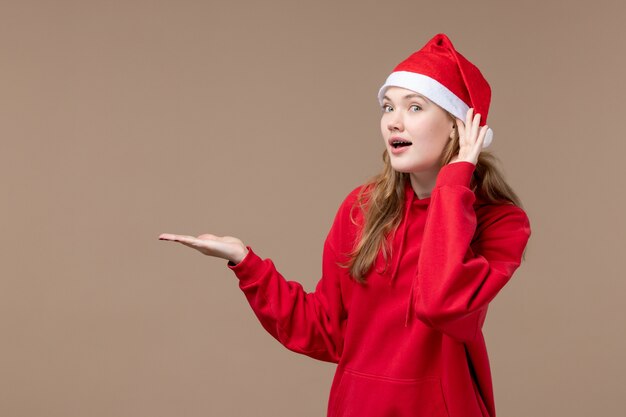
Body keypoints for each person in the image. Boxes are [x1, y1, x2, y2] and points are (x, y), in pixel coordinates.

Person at [159, 33, 531, 417]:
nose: (394, 122)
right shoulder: (362, 208)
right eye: (388, 107)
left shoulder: (501, 222)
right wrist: (245, 262)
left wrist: (454, 185)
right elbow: (326, 330)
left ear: (458, 126)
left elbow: (441, 304)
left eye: (415, 107)